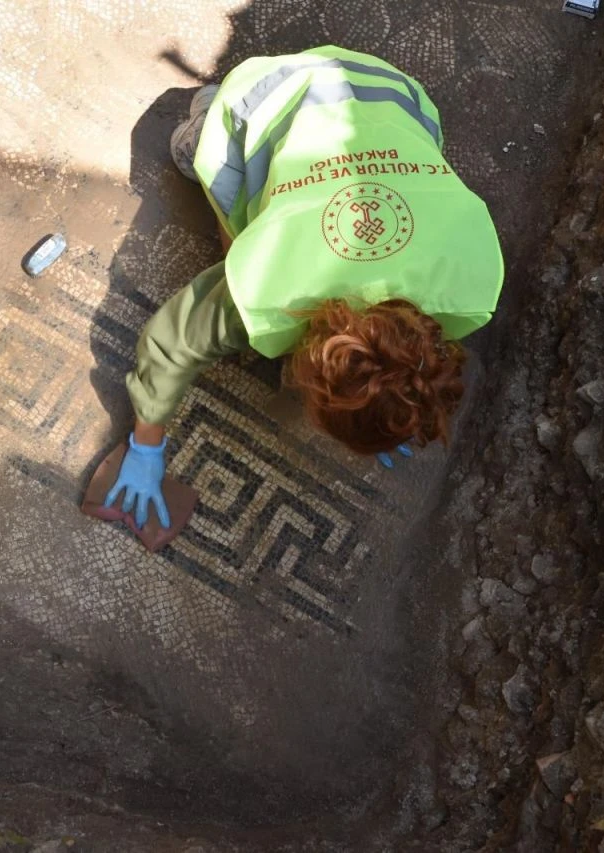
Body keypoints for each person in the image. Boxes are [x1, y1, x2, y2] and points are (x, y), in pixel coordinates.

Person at [105, 46, 505, 528]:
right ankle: (208, 114)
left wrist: (400, 404)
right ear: (310, 379)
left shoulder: (461, 279)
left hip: (392, 93)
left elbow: (418, 352)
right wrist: (146, 444)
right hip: (267, 95)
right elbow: (171, 344)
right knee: (213, 193)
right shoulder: (274, 282)